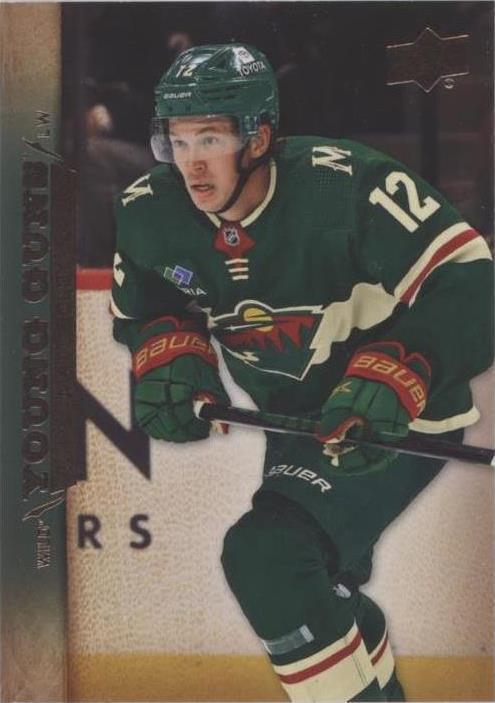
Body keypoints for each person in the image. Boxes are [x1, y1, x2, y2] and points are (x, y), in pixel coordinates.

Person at [110, 44, 493, 702]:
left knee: (270, 557)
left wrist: (406, 364)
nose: (191, 161)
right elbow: (148, 304)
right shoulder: (152, 211)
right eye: (177, 139)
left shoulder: (343, 187)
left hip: (395, 421)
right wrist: (170, 352)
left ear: (258, 137)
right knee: (316, 587)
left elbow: (470, 280)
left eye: (210, 138)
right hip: (296, 422)